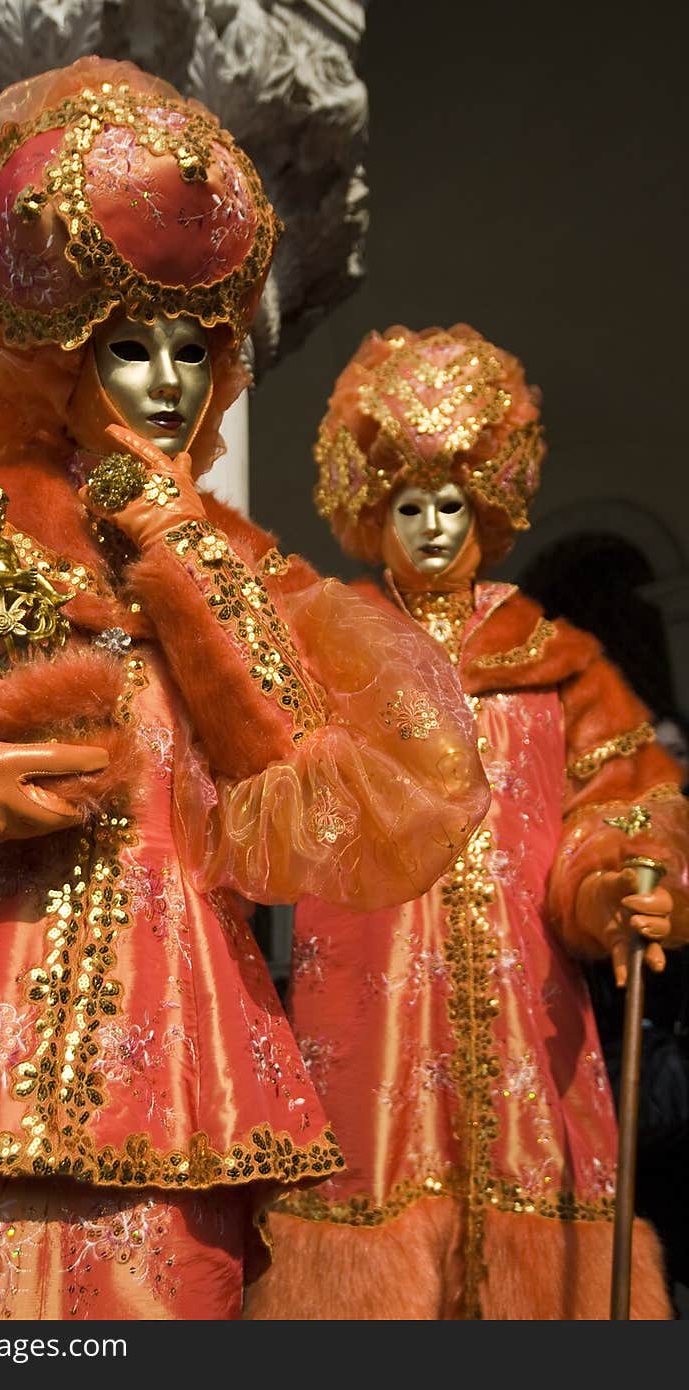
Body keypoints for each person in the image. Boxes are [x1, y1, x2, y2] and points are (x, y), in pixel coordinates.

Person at [0, 67, 488, 1321]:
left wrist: (186, 561)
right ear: (57, 359)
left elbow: (314, 788)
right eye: (132, 346)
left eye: (194, 348)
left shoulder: (257, 581)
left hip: (176, 1064)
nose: (170, 381)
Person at [244, 322, 689, 1320]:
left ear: (486, 506)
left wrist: (619, 882)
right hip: (368, 1016)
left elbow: (621, 801)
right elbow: (265, 801)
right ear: (372, 511)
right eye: (409, 504)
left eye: (451, 502)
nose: (434, 526)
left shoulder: (557, 659)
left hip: (533, 1022)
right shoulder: (326, 652)